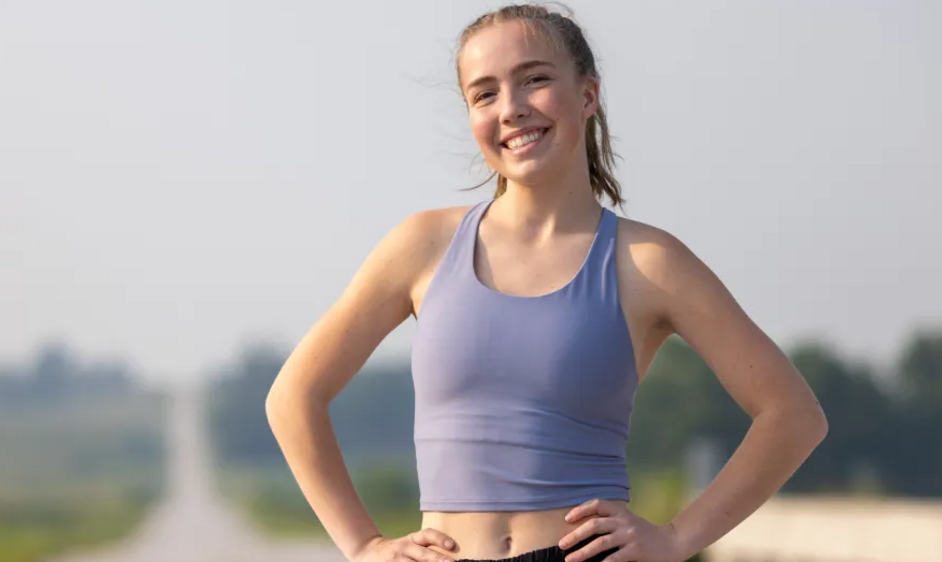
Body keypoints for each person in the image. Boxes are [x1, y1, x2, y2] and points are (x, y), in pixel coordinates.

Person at [265, 4, 827, 562]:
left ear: (587, 95)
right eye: (484, 93)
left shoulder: (649, 262)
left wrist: (676, 538)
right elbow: (293, 397)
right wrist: (364, 545)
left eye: (534, 79)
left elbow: (792, 414)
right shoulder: (423, 246)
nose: (510, 109)